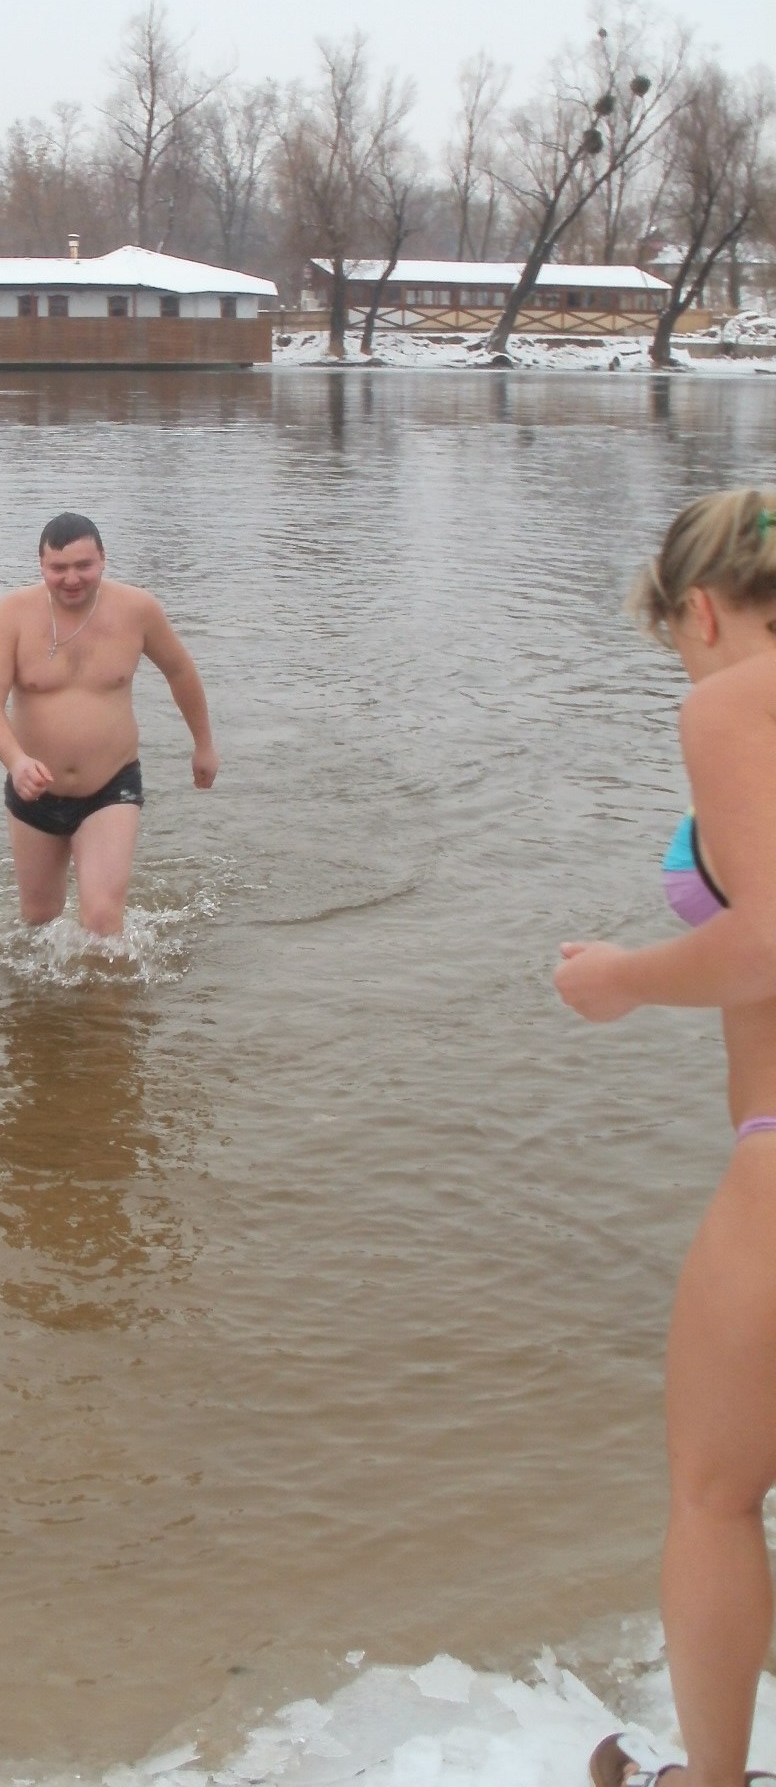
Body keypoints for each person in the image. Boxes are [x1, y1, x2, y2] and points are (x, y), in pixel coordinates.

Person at [555, 490, 776, 1787]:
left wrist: (623, 978)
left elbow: (769, 937)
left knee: (715, 1490)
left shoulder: (733, 701)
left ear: (700, 611)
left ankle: (708, 1779)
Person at [0, 511, 218, 937]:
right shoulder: (12, 613)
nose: (71, 579)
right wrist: (15, 761)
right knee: (38, 921)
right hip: (34, 788)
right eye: (58, 568)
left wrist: (204, 745)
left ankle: (111, 981)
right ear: (41, 565)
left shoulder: (138, 609)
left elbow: (180, 671)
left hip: (111, 785)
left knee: (103, 919)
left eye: (83, 565)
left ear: (103, 558)